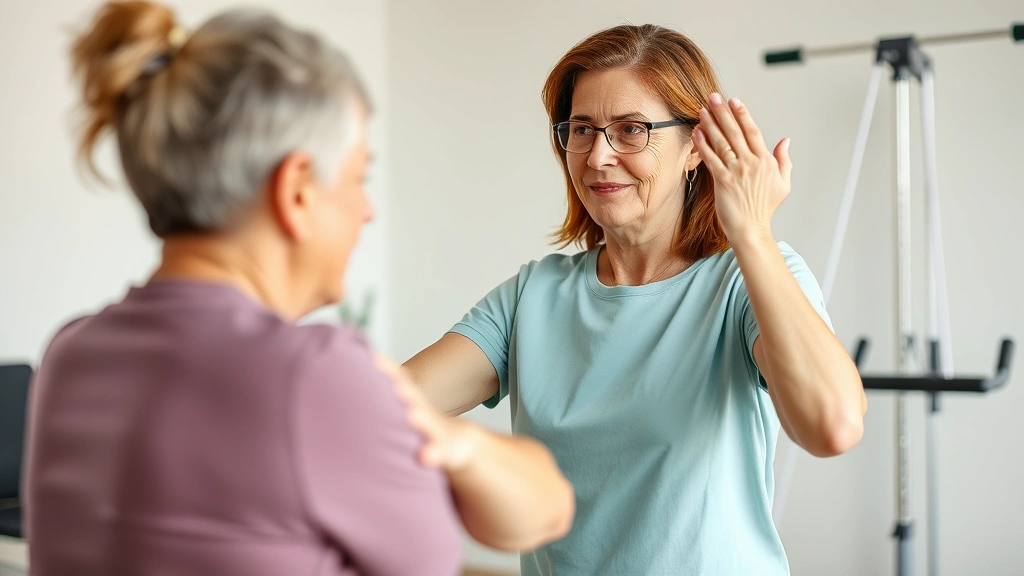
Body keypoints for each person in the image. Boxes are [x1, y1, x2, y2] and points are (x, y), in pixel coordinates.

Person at [23, 2, 573, 575]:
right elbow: (533, 516)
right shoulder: (314, 378)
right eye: (358, 178)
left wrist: (447, 440)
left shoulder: (71, 354)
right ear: (297, 192)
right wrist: (445, 440)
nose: (366, 210)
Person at [404, 24, 867, 576]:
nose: (598, 156)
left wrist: (752, 234)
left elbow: (832, 426)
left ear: (696, 146)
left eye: (630, 130)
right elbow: (383, 413)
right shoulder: (533, 296)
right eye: (582, 129)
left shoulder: (747, 279)